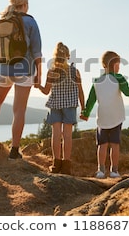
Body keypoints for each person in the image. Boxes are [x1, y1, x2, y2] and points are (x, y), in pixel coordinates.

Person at [0, 0, 42, 160]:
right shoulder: (30, 21)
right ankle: (15, 151)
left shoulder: (2, 20)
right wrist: (39, 73)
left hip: (3, 68)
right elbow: (36, 51)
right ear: (25, 4)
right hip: (24, 69)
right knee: (19, 109)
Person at [80, 51, 129, 178]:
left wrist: (86, 113)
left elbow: (91, 100)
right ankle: (114, 171)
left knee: (102, 145)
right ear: (114, 64)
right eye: (118, 64)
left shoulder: (97, 81)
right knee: (115, 145)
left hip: (102, 118)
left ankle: (101, 170)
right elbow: (128, 92)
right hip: (116, 116)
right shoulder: (119, 78)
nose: (119, 66)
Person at [38, 42, 85, 175]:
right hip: (70, 105)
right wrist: (84, 108)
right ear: (68, 56)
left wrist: (38, 86)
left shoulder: (51, 72)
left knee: (56, 135)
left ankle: (56, 163)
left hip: (55, 105)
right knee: (67, 135)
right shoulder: (74, 71)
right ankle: (66, 165)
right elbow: (80, 91)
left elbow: (46, 91)